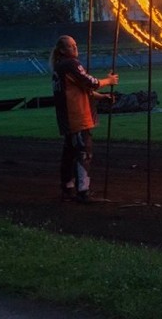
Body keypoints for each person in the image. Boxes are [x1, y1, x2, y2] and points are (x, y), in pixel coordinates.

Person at [50, 35, 119, 203]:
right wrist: (108, 80)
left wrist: (101, 97)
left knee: (70, 153)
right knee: (83, 153)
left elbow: (82, 90)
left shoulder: (59, 67)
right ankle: (83, 191)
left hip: (67, 117)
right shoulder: (71, 64)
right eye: (70, 46)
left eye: (75, 45)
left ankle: (67, 187)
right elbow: (90, 82)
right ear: (62, 50)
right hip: (78, 116)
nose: (75, 48)